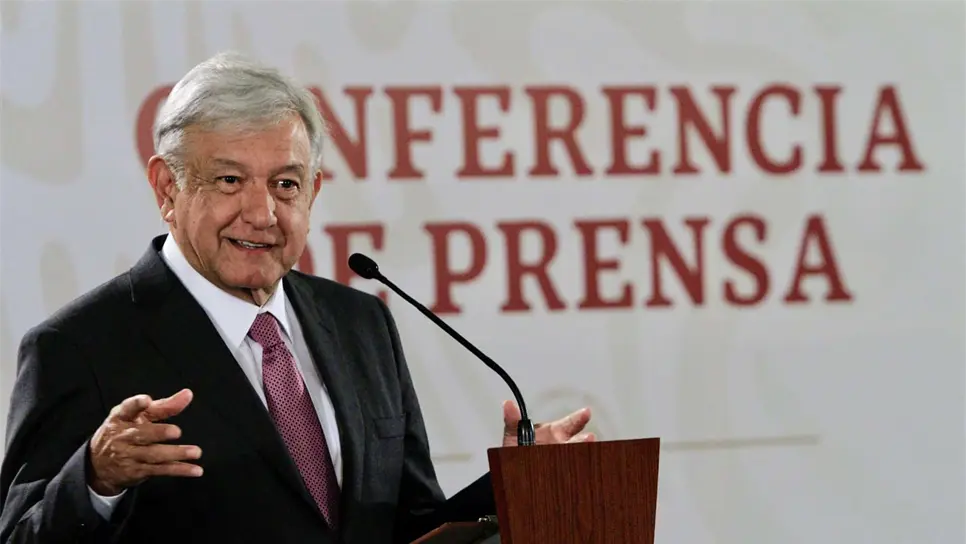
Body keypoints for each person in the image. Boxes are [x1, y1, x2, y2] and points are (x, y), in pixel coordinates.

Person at [0, 52, 594, 543]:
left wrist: (510, 486)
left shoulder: (360, 321)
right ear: (166, 188)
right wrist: (96, 479)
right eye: (229, 180)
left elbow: (408, 525)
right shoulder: (80, 345)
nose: (262, 213)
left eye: (285, 184)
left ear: (313, 192)